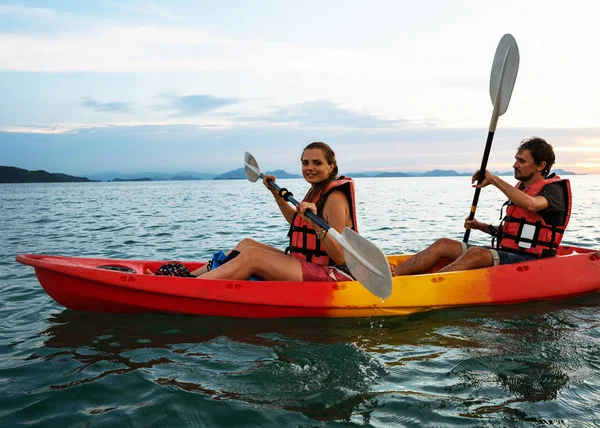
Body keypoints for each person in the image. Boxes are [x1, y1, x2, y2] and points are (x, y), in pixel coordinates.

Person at [150, 142, 359, 282]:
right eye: (305, 163)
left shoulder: (334, 198)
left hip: (336, 274)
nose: (309, 168)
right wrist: (275, 194)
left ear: (331, 167)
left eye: (317, 163)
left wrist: (316, 224)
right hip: (309, 263)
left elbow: (340, 257)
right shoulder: (316, 190)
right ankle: (189, 278)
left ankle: (190, 287)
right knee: (246, 245)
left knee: (251, 257)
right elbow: (297, 222)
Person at [393, 137, 572, 276]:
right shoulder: (522, 188)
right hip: (507, 252)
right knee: (443, 244)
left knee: (477, 253)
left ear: (541, 165)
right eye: (516, 159)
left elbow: (531, 205)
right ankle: (396, 275)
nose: (515, 165)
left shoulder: (554, 191)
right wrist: (479, 226)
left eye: (522, 161)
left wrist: (493, 179)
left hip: (532, 260)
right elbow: (511, 232)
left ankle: (428, 286)